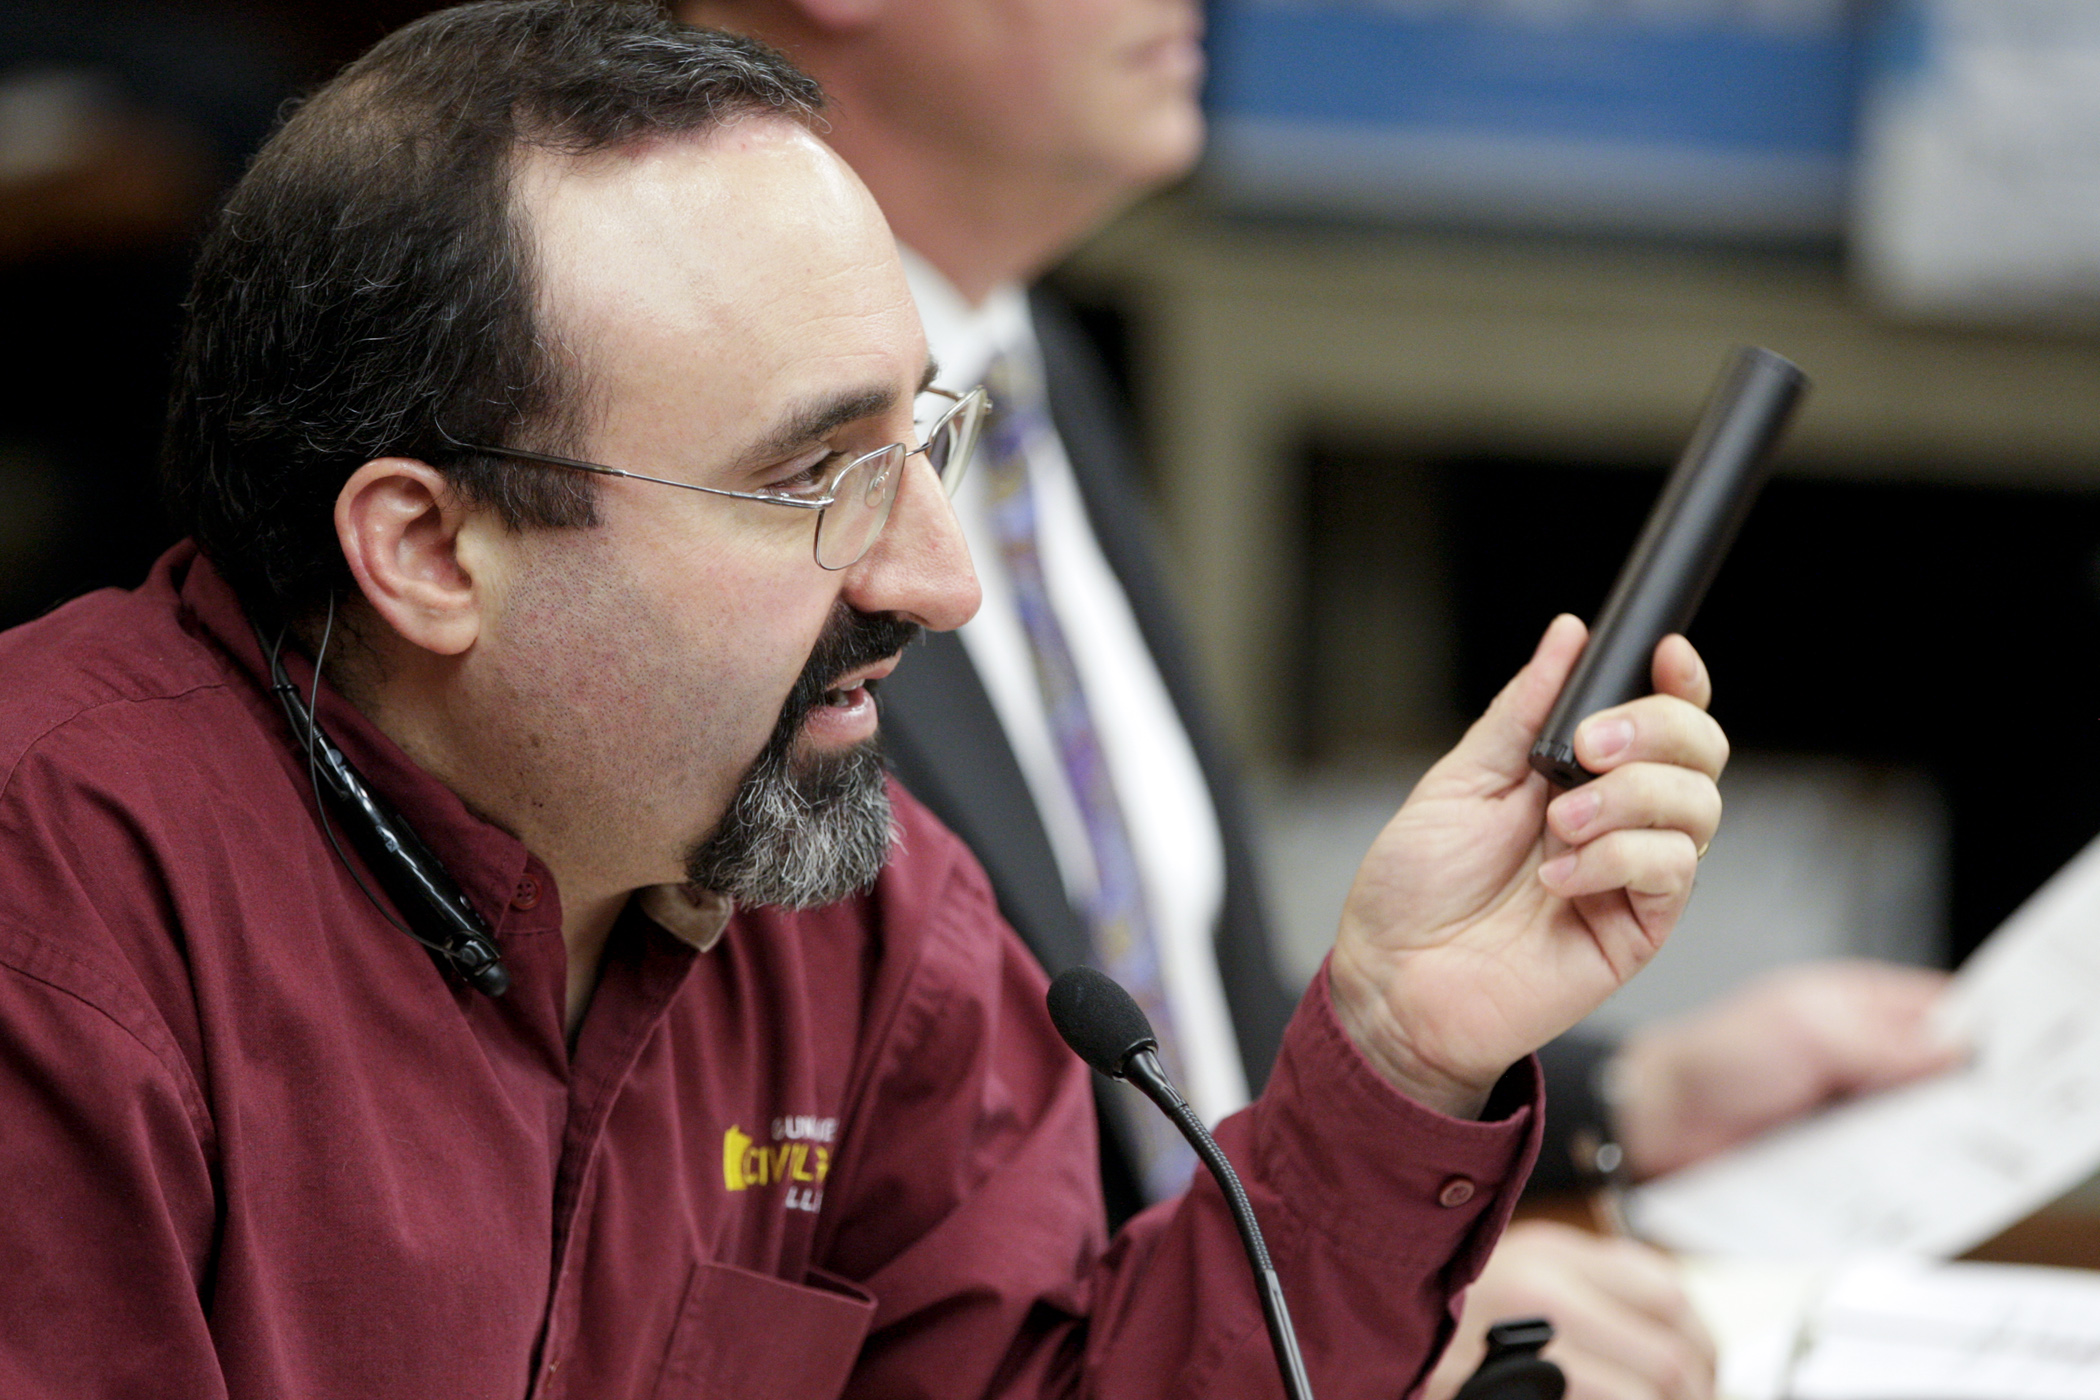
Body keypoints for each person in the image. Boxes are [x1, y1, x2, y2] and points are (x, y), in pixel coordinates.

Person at [0, 3, 1732, 1396]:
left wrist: (1401, 1051)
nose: (937, 580)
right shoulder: (65, 913)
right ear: (429, 550)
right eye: (809, 478)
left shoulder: (870, 912)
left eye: (923, 439)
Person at [676, 1, 1961, 1397]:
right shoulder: (711, 493)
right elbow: (865, 1195)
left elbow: (1154, 1010)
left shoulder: (1021, 359)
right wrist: (1386, 1303)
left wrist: (1635, 1096)